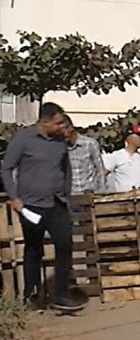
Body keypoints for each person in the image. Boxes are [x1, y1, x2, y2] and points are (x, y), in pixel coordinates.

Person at [1, 102, 84, 312]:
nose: (62, 126)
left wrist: (66, 194)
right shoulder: (23, 139)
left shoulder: (59, 141)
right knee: (33, 248)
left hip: (57, 203)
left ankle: (60, 294)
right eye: (58, 123)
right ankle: (32, 294)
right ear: (44, 122)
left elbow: (66, 169)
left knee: (64, 245)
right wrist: (14, 197)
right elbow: (6, 169)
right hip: (31, 205)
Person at [63, 114, 106, 194]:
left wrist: (101, 192)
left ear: (70, 128)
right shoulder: (61, 146)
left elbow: (100, 170)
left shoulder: (89, 143)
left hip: (89, 193)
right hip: (71, 195)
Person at [103, 124, 140, 192]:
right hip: (122, 197)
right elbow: (102, 174)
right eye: (139, 135)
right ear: (129, 137)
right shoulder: (117, 156)